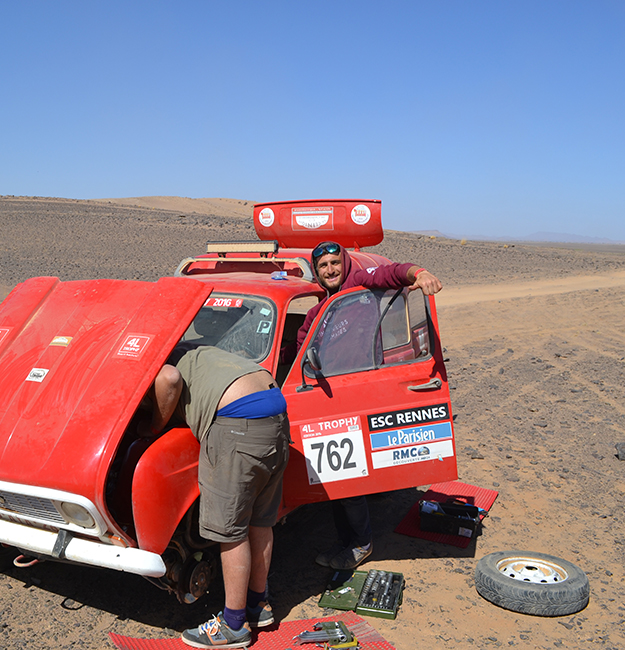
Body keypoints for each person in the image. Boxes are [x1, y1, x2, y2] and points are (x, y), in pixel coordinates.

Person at [293, 241, 443, 572]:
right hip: (327, 396)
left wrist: (418, 272)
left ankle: (360, 543)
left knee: (349, 481)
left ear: (343, 263)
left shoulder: (360, 283)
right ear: (316, 272)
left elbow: (391, 273)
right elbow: (301, 352)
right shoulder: (317, 313)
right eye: (323, 266)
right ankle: (346, 541)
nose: (330, 269)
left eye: (334, 262)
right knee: (334, 482)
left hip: (360, 389)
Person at [148, 344, 289, 649]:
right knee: (260, 521)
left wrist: (151, 427)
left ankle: (234, 626)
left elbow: (169, 379)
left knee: (231, 531)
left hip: (237, 425)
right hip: (276, 414)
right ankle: (258, 605)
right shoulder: (201, 352)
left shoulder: (163, 359)